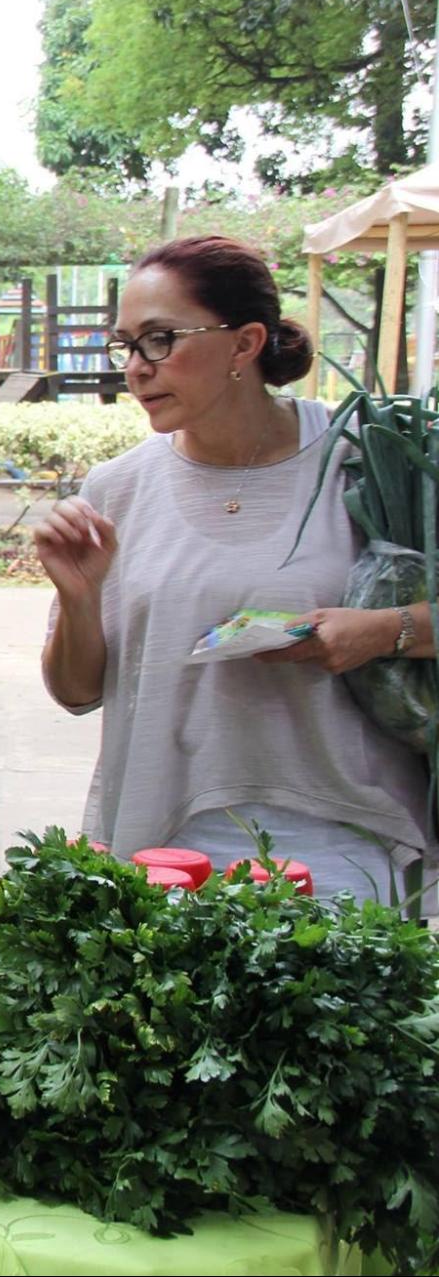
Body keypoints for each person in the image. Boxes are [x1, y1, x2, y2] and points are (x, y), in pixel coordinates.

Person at [37, 235, 434, 900]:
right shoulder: (115, 488)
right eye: (125, 344)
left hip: (344, 845)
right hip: (161, 851)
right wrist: (78, 598)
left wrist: (382, 629)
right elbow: (75, 692)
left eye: (159, 339)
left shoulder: (368, 458)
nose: (135, 367)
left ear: (245, 344)